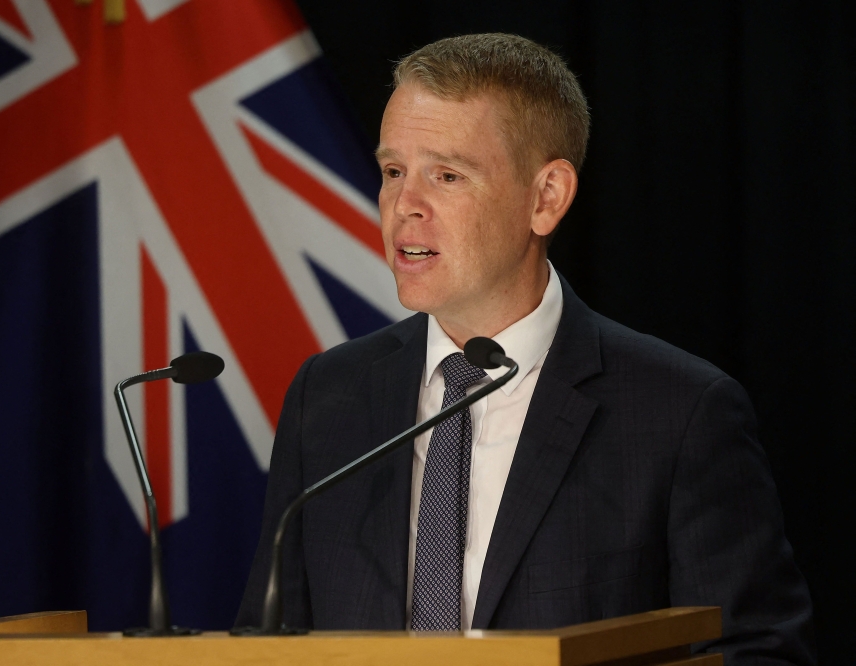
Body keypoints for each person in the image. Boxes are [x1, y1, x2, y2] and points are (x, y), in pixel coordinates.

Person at [236, 33, 814, 663]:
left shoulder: (679, 411)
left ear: (546, 198)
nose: (405, 207)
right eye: (394, 171)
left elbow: (756, 652)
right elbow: (267, 643)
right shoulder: (328, 396)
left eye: (447, 175)